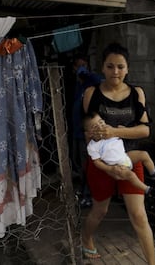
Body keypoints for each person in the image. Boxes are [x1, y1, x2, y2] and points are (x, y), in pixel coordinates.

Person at [81, 42, 155, 264]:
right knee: (100, 211)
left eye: (121, 67)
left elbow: (145, 130)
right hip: (101, 164)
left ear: (128, 68)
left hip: (130, 160)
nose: (116, 72)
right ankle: (86, 238)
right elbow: (87, 135)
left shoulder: (136, 93)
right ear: (102, 68)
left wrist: (113, 131)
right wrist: (107, 163)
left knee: (139, 215)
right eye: (110, 66)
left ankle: (152, 262)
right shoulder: (91, 93)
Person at [84, 112, 155, 197]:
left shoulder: (110, 130)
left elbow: (121, 131)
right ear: (89, 134)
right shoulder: (92, 146)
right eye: (95, 127)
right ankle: (148, 190)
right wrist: (110, 169)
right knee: (131, 175)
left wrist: (122, 129)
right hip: (117, 166)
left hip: (126, 156)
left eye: (101, 122)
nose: (100, 126)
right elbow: (97, 162)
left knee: (144, 154)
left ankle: (154, 173)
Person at [70, 54, 102, 208]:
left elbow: (99, 79)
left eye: (85, 65)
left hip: (86, 134)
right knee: (77, 163)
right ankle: (84, 191)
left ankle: (88, 195)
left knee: (87, 165)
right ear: (74, 69)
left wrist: (85, 73)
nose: (82, 69)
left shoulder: (90, 84)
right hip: (76, 132)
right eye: (79, 66)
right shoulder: (78, 86)